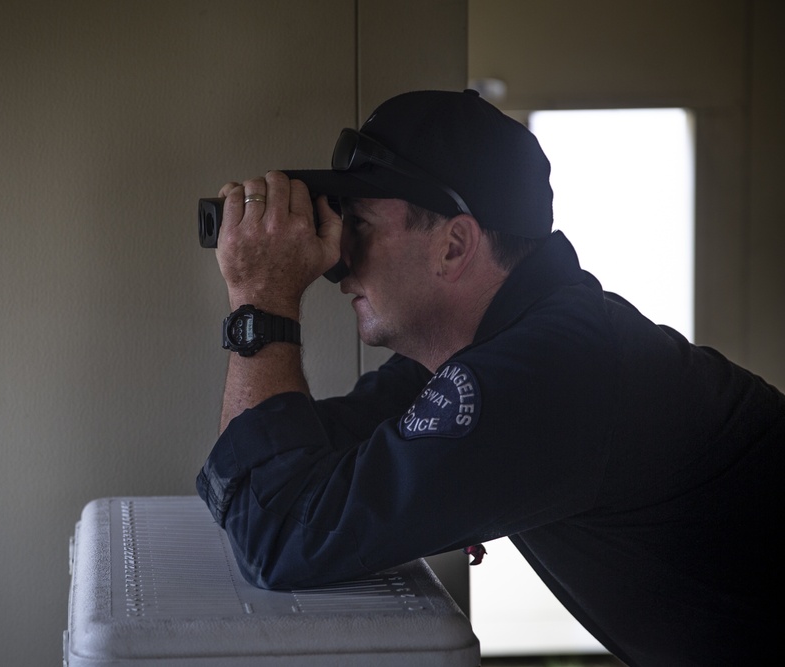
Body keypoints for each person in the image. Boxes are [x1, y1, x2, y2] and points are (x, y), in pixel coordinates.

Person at [195, 90, 783, 666]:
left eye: (363, 227)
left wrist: (261, 300)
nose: (336, 260)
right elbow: (269, 479)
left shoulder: (547, 371)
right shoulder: (488, 353)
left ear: (454, 246)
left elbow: (277, 531)